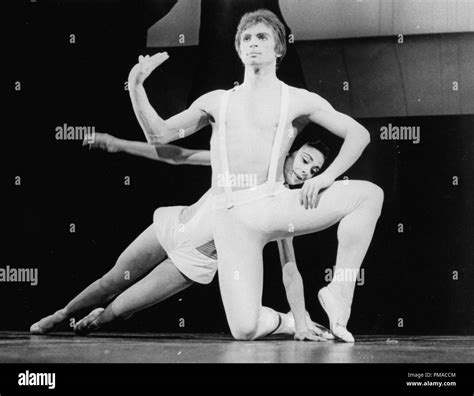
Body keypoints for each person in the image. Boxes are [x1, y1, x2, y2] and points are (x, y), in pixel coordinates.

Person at [127, 9, 384, 342]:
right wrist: (136, 87)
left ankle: (339, 293)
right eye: (246, 38)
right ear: (238, 49)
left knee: (368, 195)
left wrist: (324, 177)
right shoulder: (217, 102)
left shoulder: (297, 99)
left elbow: (359, 134)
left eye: (262, 37)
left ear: (278, 48)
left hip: (271, 203)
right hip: (233, 218)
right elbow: (159, 136)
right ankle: (284, 320)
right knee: (245, 329)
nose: (253, 43)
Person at [30, 133, 332, 341]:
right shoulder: (246, 165)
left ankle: (102, 315)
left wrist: (301, 321)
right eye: (305, 160)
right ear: (291, 150)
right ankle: (61, 314)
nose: (307, 171)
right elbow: (180, 156)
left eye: (315, 169)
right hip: (175, 226)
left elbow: (289, 266)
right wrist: (117, 143)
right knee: (111, 281)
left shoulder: (281, 207)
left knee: (117, 312)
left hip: (194, 260)